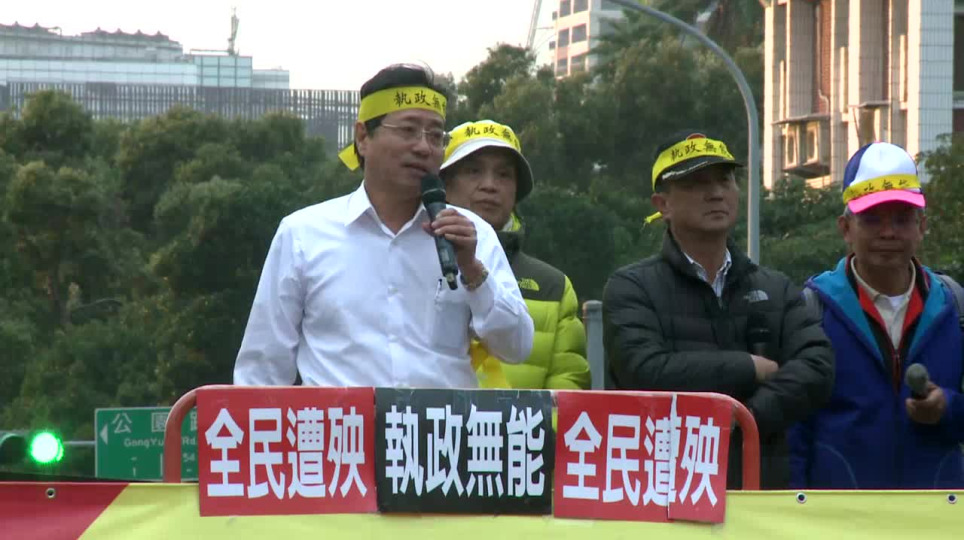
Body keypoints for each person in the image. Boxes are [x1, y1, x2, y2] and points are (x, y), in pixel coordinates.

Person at [233, 64, 534, 388]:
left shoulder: (472, 235)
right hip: (343, 421)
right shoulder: (303, 234)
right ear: (363, 137)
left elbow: (517, 348)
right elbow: (262, 369)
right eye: (408, 130)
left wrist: (473, 271)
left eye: (435, 136)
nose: (423, 147)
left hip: (441, 421)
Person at [602, 130, 834, 489]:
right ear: (662, 204)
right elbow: (645, 371)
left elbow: (817, 367)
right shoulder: (631, 288)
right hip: (665, 494)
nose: (716, 193)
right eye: (696, 183)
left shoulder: (774, 287)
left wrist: (748, 417)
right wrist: (750, 367)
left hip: (760, 495)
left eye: (725, 180)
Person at [790, 142, 964, 489]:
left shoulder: (954, 306)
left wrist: (949, 407)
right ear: (845, 228)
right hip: (839, 516)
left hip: (937, 515)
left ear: (922, 226)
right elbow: (792, 433)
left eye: (901, 219)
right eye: (872, 219)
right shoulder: (811, 310)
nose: (888, 233)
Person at [440, 119, 590, 390]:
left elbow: (567, 392)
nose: (490, 185)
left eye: (504, 175)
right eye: (473, 171)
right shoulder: (408, 257)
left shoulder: (552, 286)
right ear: (445, 185)